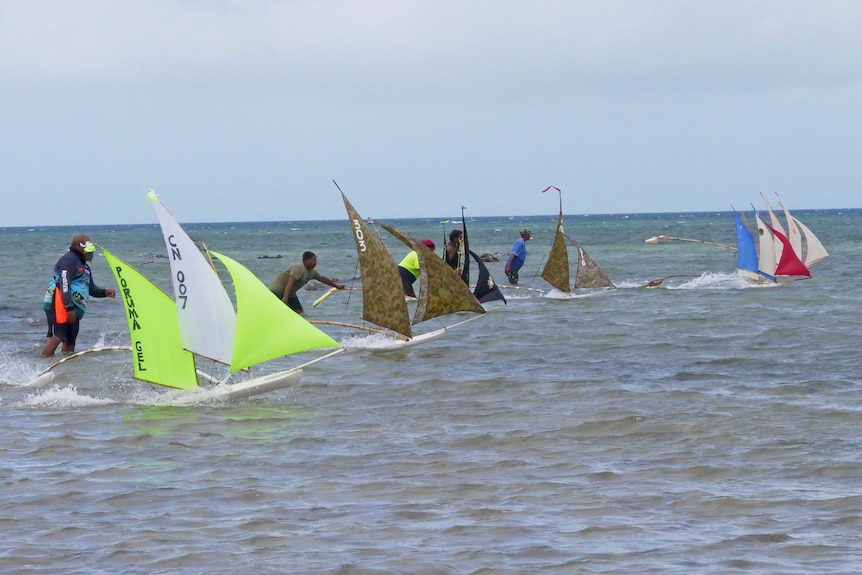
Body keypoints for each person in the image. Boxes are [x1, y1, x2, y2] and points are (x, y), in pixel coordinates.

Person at [41, 234, 117, 357]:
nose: (90, 255)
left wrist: (104, 292)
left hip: (74, 310)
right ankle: (42, 365)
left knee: (70, 341)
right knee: (58, 335)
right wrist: (69, 308)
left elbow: (91, 289)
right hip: (59, 304)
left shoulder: (85, 267)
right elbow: (64, 283)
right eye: (88, 252)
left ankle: (67, 372)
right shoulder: (69, 260)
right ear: (78, 247)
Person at [268, 251, 345, 315]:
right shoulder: (299, 267)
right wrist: (285, 298)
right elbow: (290, 283)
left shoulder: (311, 272)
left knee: (299, 312)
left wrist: (336, 286)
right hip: (277, 291)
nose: (316, 262)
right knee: (274, 311)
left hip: (290, 293)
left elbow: (322, 279)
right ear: (307, 260)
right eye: (314, 260)